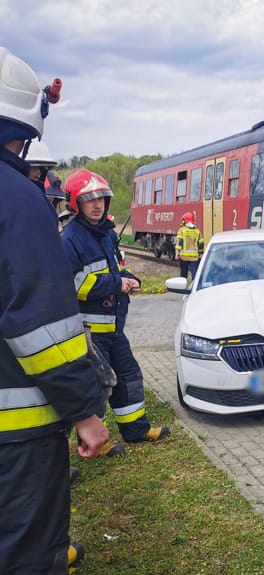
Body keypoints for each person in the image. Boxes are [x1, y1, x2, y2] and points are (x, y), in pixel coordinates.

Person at [0, 46, 109, 575]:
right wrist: (86, 413)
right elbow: (42, 327)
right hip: (15, 436)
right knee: (26, 551)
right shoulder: (18, 201)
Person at [61, 167, 171, 446]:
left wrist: (129, 278)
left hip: (114, 328)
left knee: (128, 376)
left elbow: (116, 267)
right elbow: (72, 284)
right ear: (76, 203)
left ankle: (136, 430)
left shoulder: (106, 234)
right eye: (90, 199)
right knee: (97, 388)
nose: (97, 205)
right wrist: (115, 284)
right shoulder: (70, 238)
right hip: (89, 332)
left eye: (102, 198)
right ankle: (94, 442)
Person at [175, 211, 204, 283]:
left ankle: (182, 287)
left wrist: (177, 253)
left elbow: (179, 243)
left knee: (184, 273)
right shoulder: (197, 231)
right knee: (194, 274)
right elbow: (201, 244)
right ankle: (193, 288)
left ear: (185, 220)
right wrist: (200, 254)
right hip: (194, 257)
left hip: (184, 257)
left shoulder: (182, 230)